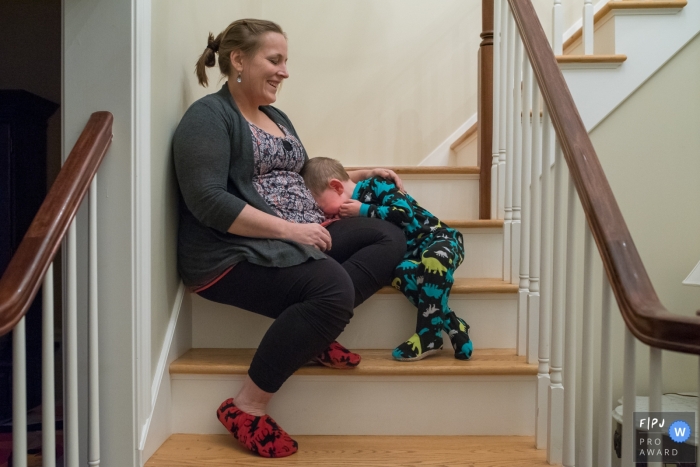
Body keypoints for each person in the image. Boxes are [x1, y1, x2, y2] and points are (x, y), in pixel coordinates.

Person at [173, 20, 406, 458]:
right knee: (333, 289)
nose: (284, 72)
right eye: (275, 60)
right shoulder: (208, 117)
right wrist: (290, 230)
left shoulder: (275, 117)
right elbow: (207, 201)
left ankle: (313, 332)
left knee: (389, 236)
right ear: (239, 60)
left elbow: (296, 177)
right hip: (233, 252)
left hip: (300, 233)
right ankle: (246, 406)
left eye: (285, 61)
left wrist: (357, 174)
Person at [301, 157, 474, 362]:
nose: (322, 211)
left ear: (336, 187)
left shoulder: (376, 185)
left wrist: (363, 210)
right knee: (400, 274)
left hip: (440, 240)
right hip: (414, 257)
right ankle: (454, 325)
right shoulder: (348, 215)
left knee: (433, 261)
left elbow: (404, 214)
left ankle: (429, 335)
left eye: (320, 204)